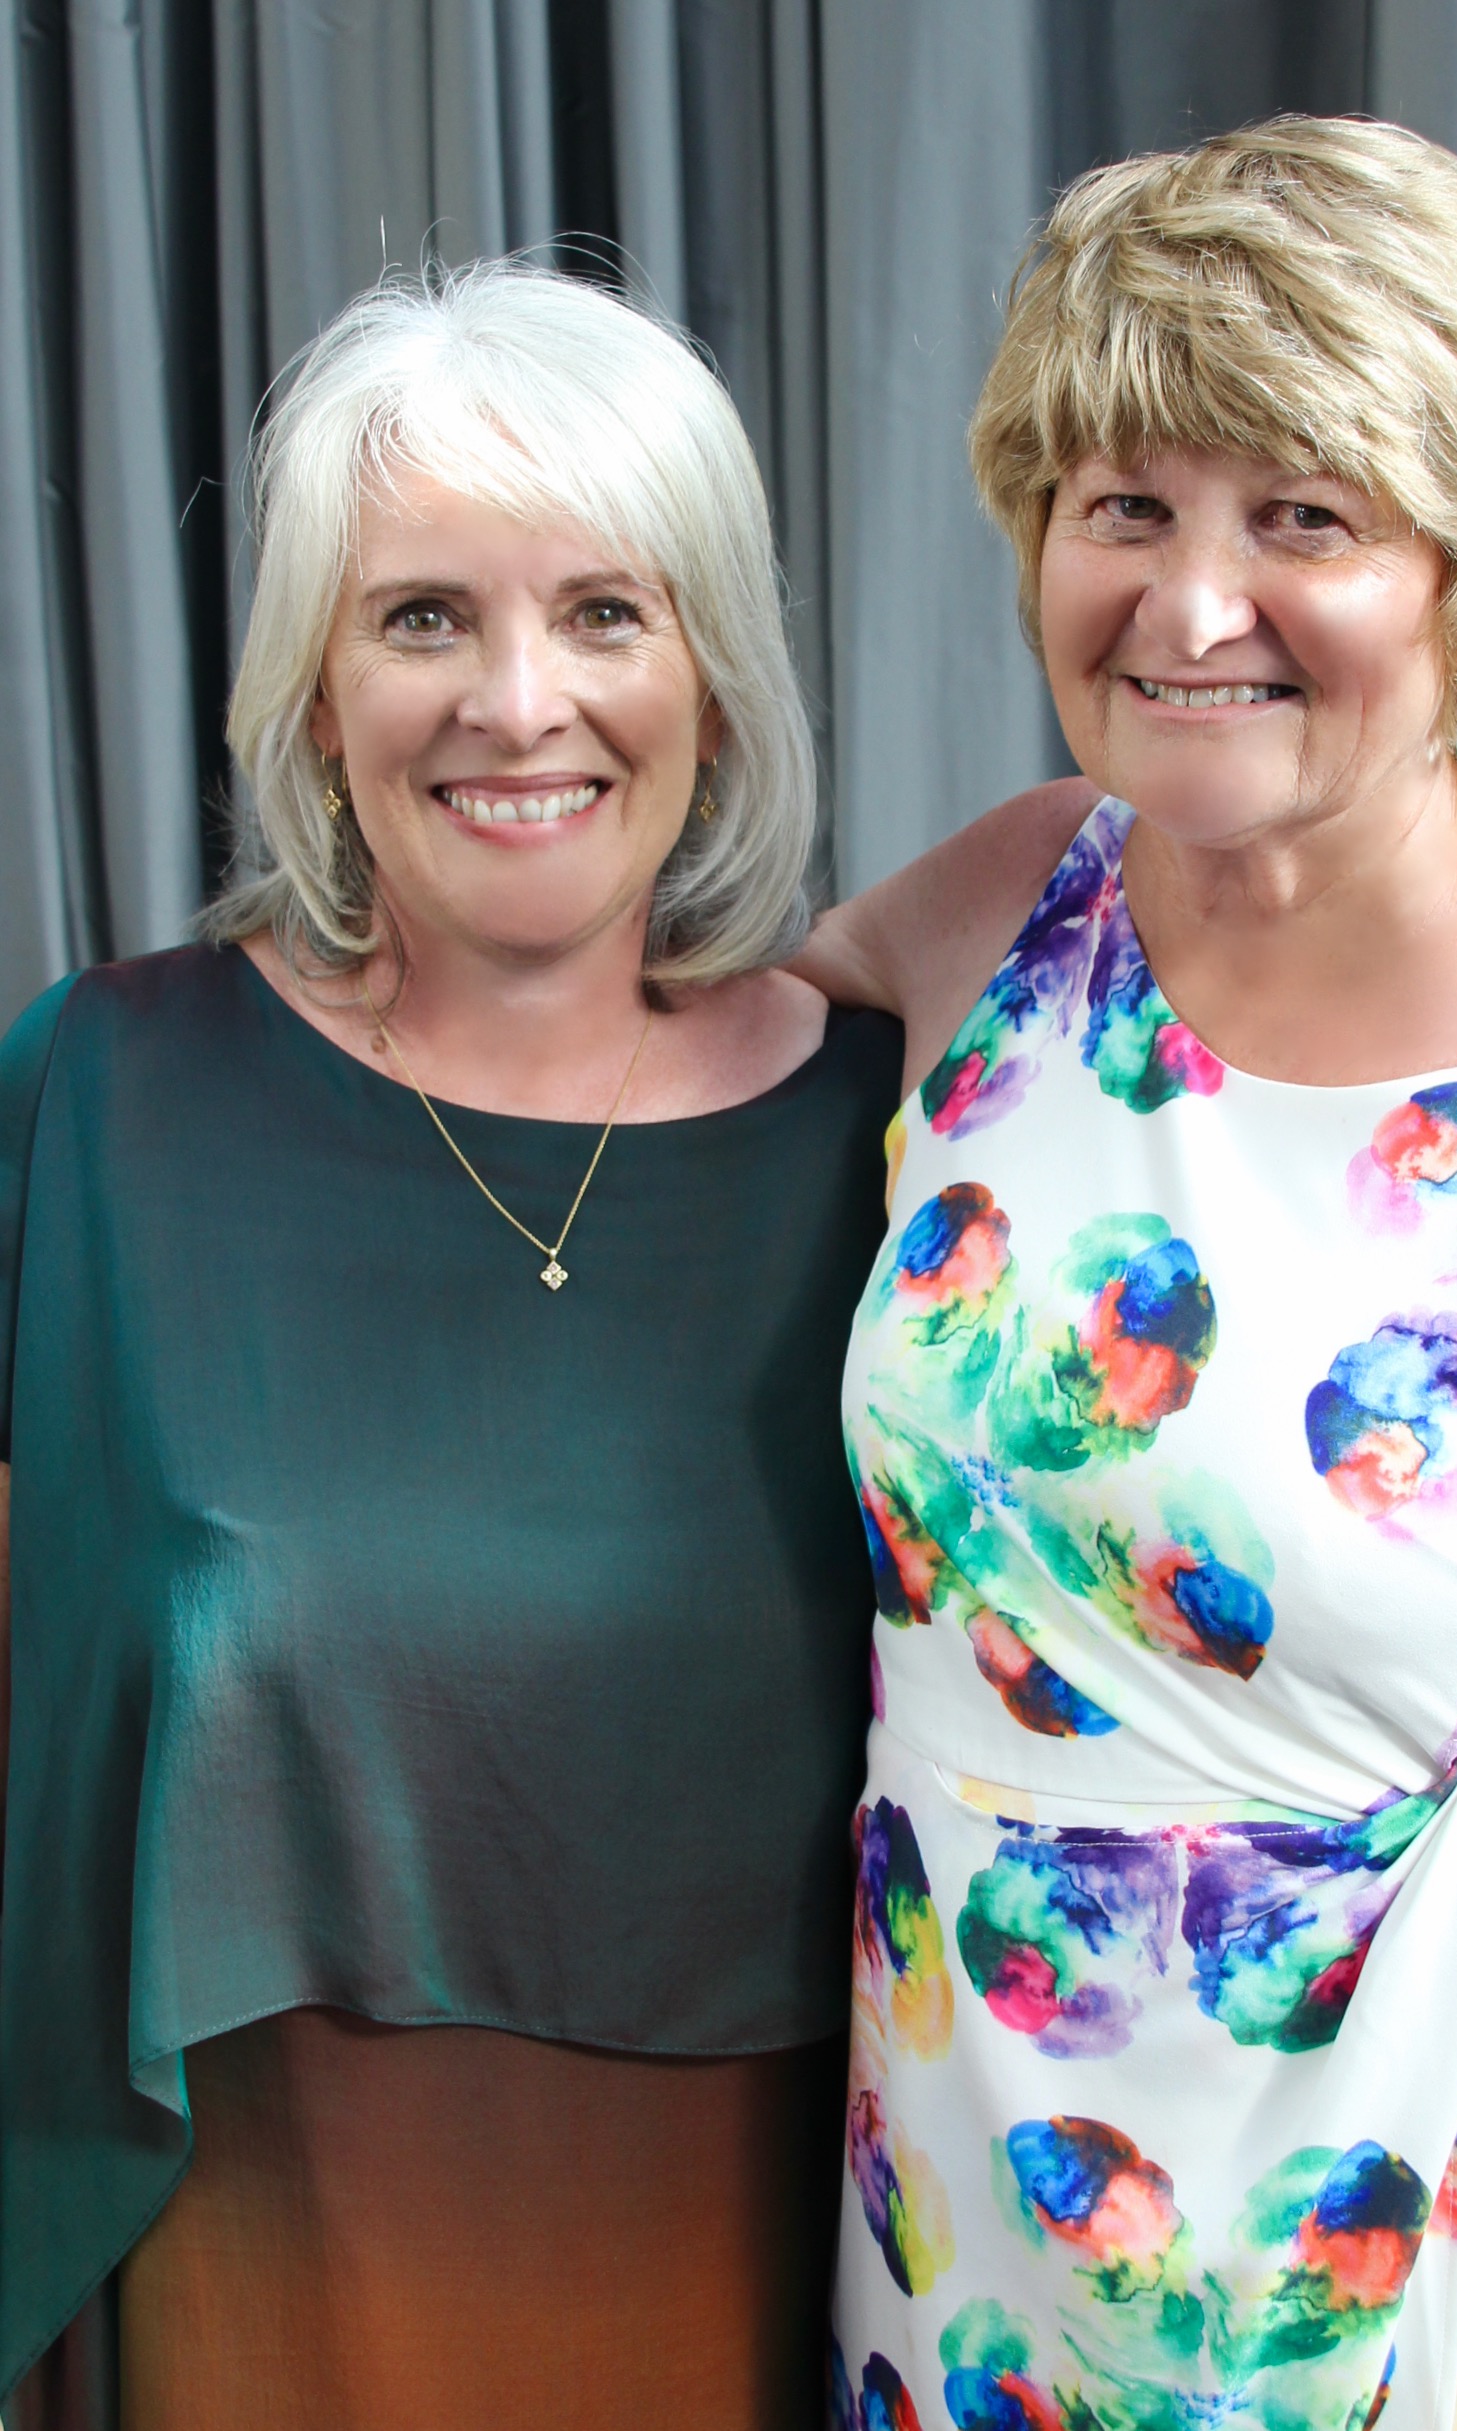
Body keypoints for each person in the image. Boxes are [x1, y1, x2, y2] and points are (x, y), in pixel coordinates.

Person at [0, 262, 901, 2431]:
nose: (518, 702)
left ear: (713, 678)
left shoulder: (915, 1149)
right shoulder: (94, 1100)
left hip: (779, 2292)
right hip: (250, 2297)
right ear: (316, 696)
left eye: (605, 613)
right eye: (422, 618)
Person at [802, 119, 1457, 2431]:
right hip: (963, 2205)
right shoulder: (1006, 907)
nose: (1186, 608)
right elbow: (610, 1094)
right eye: (1125, 506)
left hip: (1431, 2223)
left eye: (1305, 518)